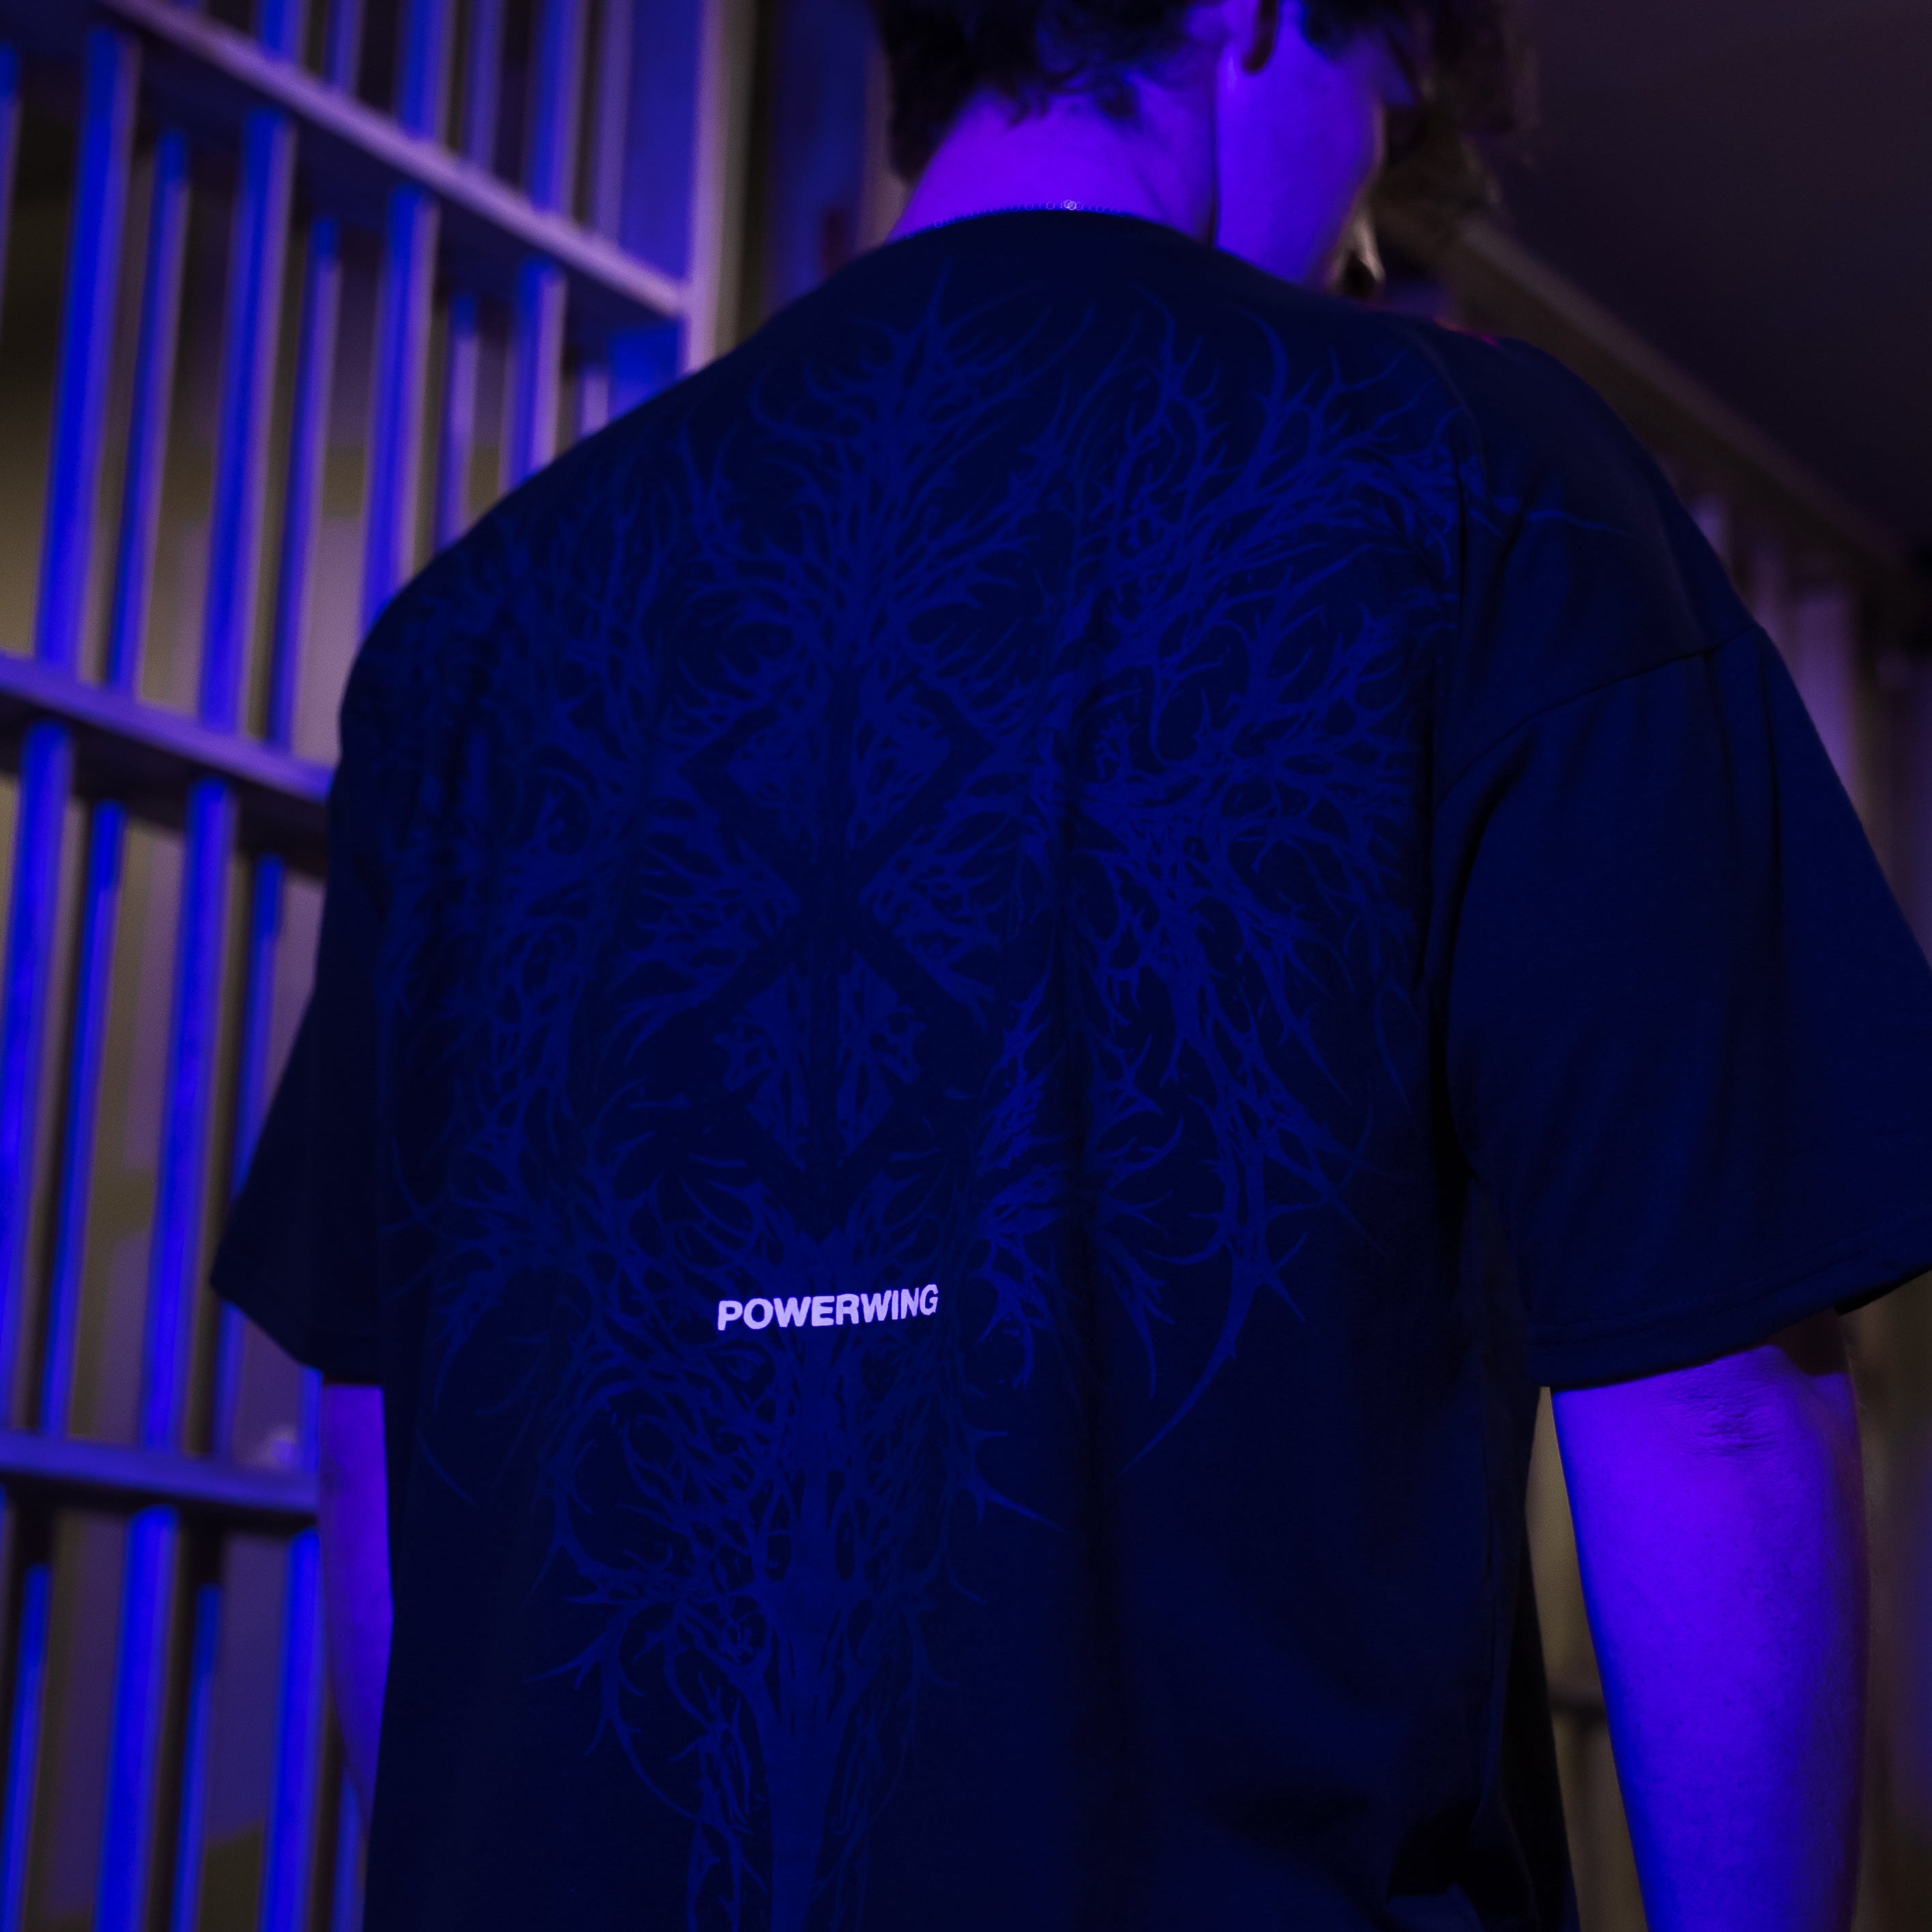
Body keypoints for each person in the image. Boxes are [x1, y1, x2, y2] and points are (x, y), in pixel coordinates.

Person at [213, 1, 1932, 1927]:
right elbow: (1715, 1399)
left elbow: (378, 1448)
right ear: (1261, 14)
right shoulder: (1480, 492)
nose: (1366, 250)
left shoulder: (477, 634)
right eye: (1384, 137)